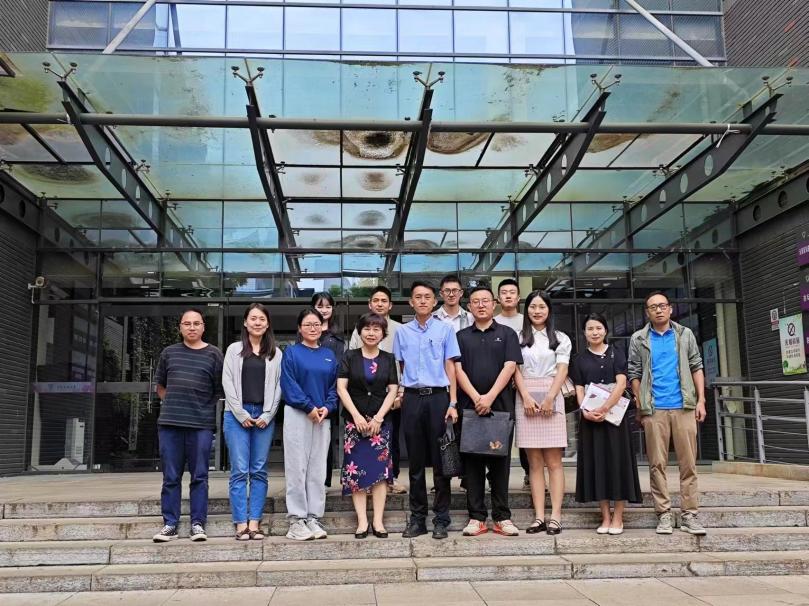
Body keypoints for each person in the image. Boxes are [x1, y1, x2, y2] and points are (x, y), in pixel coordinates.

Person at [628, 292, 707, 536]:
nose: (658, 310)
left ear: (670, 309)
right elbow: (634, 373)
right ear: (647, 312)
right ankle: (663, 514)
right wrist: (641, 403)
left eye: (662, 306)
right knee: (657, 464)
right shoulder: (639, 338)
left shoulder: (685, 334)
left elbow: (696, 366)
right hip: (654, 409)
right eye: (653, 307)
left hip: (684, 406)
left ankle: (689, 515)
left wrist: (701, 400)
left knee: (688, 463)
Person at [394, 280, 460, 540]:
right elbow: (400, 366)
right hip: (412, 399)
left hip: (438, 399)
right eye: (418, 297)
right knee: (416, 463)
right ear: (411, 302)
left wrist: (452, 402)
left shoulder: (445, 330)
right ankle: (418, 519)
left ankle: (441, 519)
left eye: (427, 297)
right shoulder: (402, 332)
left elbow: (450, 367)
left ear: (435, 301)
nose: (422, 300)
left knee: (442, 462)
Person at [455, 285, 522, 537]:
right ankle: (476, 518)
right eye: (475, 301)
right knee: (472, 464)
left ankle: (502, 517)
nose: (481, 305)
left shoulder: (507, 334)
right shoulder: (461, 336)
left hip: (500, 408)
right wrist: (476, 398)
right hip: (470, 409)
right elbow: (457, 369)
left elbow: (510, 366)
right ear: (469, 306)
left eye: (485, 301)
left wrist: (490, 397)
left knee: (500, 465)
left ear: (494, 304)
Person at [152, 309, 224, 543]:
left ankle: (197, 524)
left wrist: (200, 407)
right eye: (187, 323)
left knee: (200, 476)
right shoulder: (169, 353)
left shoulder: (214, 354)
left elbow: (218, 390)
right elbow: (160, 386)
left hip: (200, 425)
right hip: (170, 424)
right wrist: (175, 403)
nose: (192, 327)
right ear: (180, 327)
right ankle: (170, 524)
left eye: (196, 323)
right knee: (170, 476)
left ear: (203, 327)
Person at [571, 313, 641, 535]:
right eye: (590, 328)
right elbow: (579, 388)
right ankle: (605, 517)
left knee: (618, 463)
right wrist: (585, 410)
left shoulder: (616, 353)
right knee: (598, 464)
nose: (595, 332)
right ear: (584, 333)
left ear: (605, 330)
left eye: (598, 328)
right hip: (591, 420)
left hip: (615, 419)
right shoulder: (579, 359)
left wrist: (605, 407)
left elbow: (621, 383)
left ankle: (618, 517)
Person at [222, 303, 282, 540]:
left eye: (262, 319)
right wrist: (241, 414)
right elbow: (227, 382)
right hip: (236, 415)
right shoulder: (234, 350)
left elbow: (278, 387)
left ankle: (254, 522)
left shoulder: (276, 353)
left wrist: (267, 415)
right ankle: (240, 524)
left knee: (258, 470)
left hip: (264, 416)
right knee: (239, 470)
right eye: (253, 318)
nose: (257, 322)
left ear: (267, 324)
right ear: (245, 323)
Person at [513, 291, 572, 536]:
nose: (537, 311)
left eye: (542, 307)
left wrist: (550, 398)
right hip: (525, 396)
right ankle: (539, 516)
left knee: (554, 462)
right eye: (532, 307)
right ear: (526, 310)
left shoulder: (560, 338)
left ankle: (555, 516)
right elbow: (514, 369)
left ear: (549, 310)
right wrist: (525, 396)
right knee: (534, 463)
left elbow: (562, 369)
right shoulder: (518, 337)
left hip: (552, 393)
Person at [338, 313, 399, 539]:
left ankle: (378, 521)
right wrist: (356, 416)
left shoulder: (388, 358)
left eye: (376, 329)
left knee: (380, 473)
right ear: (360, 331)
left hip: (380, 424)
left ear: (383, 334)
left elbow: (393, 389)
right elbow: (341, 388)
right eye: (367, 328)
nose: (371, 333)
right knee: (357, 473)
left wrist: (379, 418)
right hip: (354, 423)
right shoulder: (349, 356)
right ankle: (362, 521)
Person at [281, 308, 339, 541]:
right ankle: (296, 520)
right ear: (299, 328)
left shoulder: (329, 355)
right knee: (297, 468)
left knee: (317, 469)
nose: (313, 328)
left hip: (322, 417)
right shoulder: (291, 352)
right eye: (307, 324)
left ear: (323, 327)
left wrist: (328, 407)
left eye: (316, 324)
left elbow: (334, 386)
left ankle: (314, 517)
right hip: (298, 415)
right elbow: (289, 384)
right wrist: (308, 407)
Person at [348, 286, 407, 495]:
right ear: (369, 304)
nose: (380, 304)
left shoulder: (400, 329)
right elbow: (352, 358)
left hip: (391, 393)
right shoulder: (360, 329)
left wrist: (401, 392)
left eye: (384, 300)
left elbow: (405, 363)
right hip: (364, 393)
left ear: (390, 305)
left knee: (391, 438)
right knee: (364, 439)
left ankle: (392, 478)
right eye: (376, 300)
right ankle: (367, 479)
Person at [493, 278, 530, 488]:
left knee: (527, 431)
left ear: (518, 297)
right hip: (500, 388)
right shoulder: (493, 322)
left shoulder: (528, 322)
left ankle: (530, 472)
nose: (508, 295)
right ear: (498, 298)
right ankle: (495, 477)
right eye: (504, 292)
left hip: (525, 385)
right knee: (499, 432)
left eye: (512, 292)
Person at [311, 291, 346, 488]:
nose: (324, 310)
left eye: (327, 306)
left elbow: (337, 369)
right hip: (307, 395)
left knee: (326, 439)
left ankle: (324, 482)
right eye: (319, 306)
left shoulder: (336, 337)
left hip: (328, 396)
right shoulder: (304, 333)